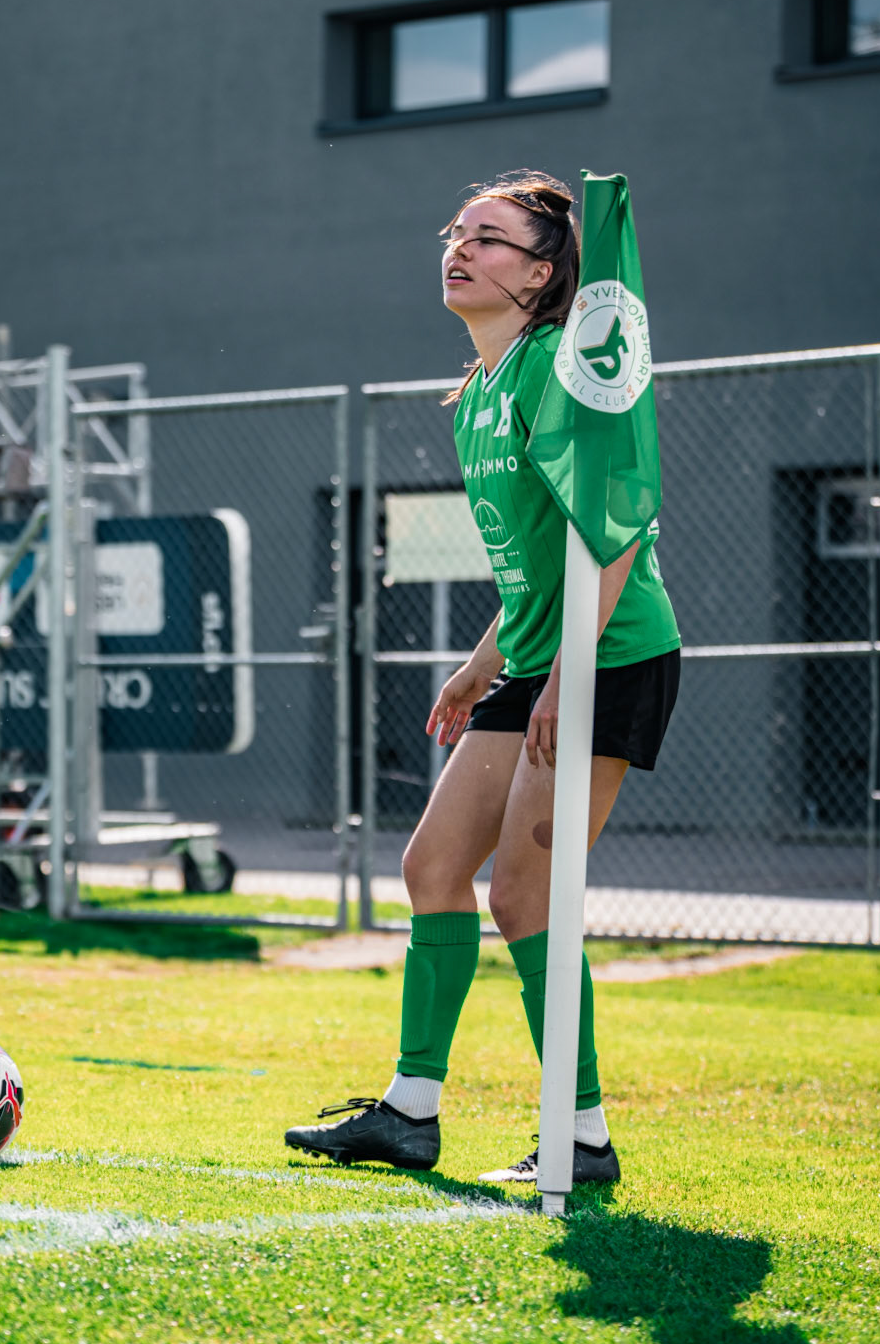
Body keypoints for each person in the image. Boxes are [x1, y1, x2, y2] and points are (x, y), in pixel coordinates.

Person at [285, 171, 680, 1187]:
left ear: (543, 273)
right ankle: (411, 1111)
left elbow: (617, 523)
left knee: (523, 891)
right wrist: (479, 669)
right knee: (431, 868)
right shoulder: (477, 395)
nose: (460, 248)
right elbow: (532, 569)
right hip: (541, 656)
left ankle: (581, 1135)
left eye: (491, 238)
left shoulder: (558, 362)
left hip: (615, 650)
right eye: (456, 232)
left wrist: (571, 672)